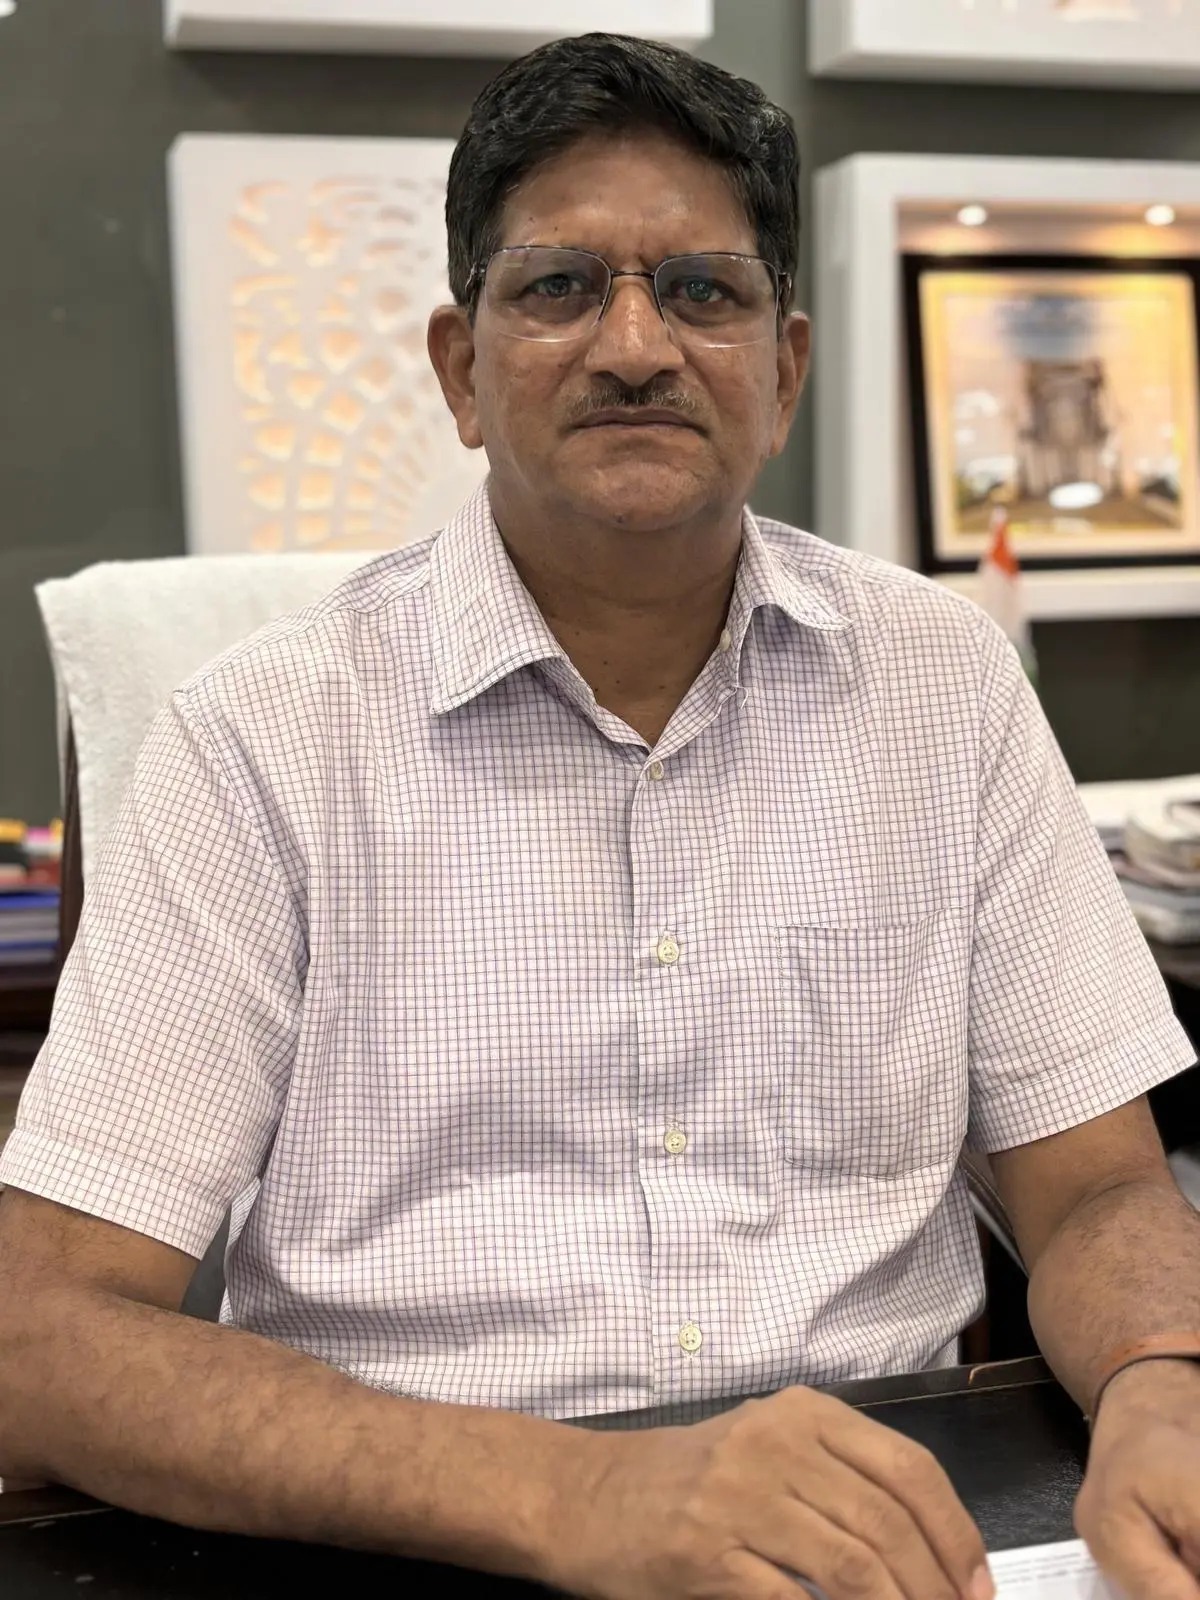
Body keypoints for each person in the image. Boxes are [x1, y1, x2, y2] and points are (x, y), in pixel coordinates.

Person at [1, 31, 1199, 1600]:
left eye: (703, 291)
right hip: (412, 1534)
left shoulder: (944, 686)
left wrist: (1165, 1379)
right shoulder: (263, 739)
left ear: (784, 368)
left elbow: (1099, 1185)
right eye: (561, 287)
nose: (636, 345)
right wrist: (580, 1496)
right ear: (461, 369)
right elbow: (41, 1334)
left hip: (883, 1533)